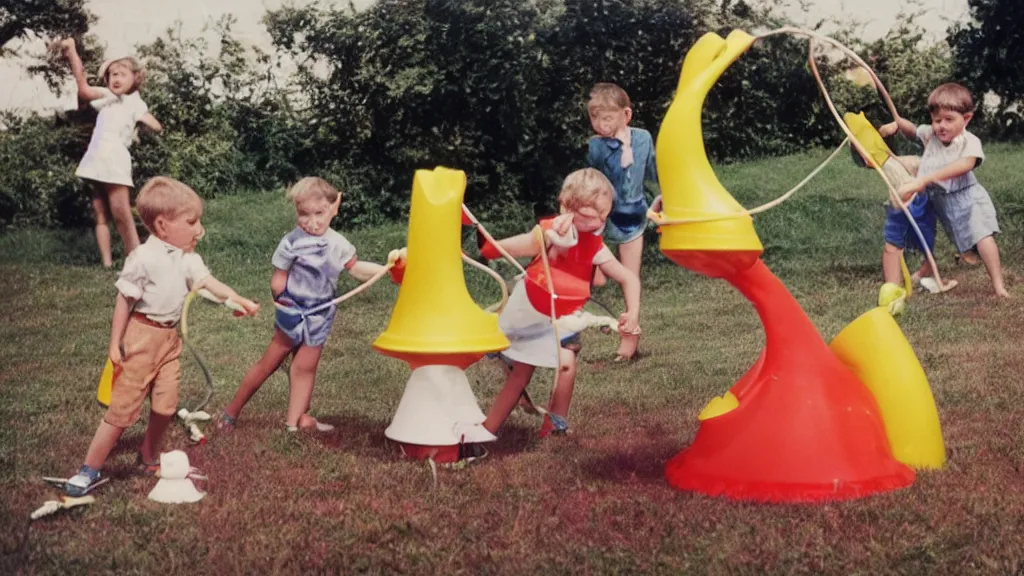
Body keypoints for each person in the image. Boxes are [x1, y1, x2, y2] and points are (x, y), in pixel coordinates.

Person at [63, 177, 260, 496]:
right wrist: (115, 344)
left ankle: (149, 457)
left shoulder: (188, 259)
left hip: (170, 343)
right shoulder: (142, 259)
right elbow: (124, 301)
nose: (200, 230)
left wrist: (239, 300)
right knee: (122, 411)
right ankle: (88, 469)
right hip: (141, 339)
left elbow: (209, 284)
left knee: (166, 407)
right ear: (162, 225)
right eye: (192, 222)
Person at [218, 177, 397, 432]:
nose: (312, 222)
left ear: (335, 206)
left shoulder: (339, 244)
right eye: (303, 215)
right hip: (292, 310)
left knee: (305, 367)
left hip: (321, 314)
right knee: (269, 363)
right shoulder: (291, 242)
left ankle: (294, 424)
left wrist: (387, 270)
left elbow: (355, 268)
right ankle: (230, 412)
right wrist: (282, 301)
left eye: (319, 213)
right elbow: (279, 278)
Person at [477, 168, 641, 442]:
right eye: (591, 216)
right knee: (521, 374)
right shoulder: (549, 234)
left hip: (566, 315)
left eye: (604, 215)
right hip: (534, 311)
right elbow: (510, 248)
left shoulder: (594, 245)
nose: (599, 222)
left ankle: (555, 424)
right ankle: (486, 431)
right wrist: (488, 246)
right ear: (566, 206)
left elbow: (628, 278)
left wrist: (633, 312)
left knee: (566, 365)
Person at [880, 83, 1009, 297]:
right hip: (938, 199)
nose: (941, 126)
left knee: (981, 235)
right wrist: (896, 123)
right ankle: (925, 269)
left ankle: (998, 285)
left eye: (949, 120)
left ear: (966, 119)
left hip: (967, 199)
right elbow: (912, 131)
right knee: (924, 231)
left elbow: (965, 164)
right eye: (937, 120)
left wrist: (926, 179)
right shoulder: (931, 135)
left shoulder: (968, 142)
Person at [55, 38, 162, 268]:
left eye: (122, 74)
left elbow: (154, 124)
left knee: (121, 211)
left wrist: (147, 123)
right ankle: (106, 264)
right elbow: (83, 90)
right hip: (96, 157)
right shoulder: (106, 96)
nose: (115, 78)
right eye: (112, 74)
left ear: (136, 78)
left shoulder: (135, 102)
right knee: (100, 212)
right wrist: (72, 53)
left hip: (114, 160)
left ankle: (135, 260)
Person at [585, 83, 659, 360]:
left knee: (631, 280)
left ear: (626, 115)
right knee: (599, 278)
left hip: (633, 218)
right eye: (594, 118)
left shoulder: (642, 138)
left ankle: (630, 342)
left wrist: (661, 201)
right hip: (601, 219)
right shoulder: (596, 146)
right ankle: (593, 283)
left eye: (607, 118)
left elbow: (652, 173)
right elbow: (591, 181)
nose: (600, 125)